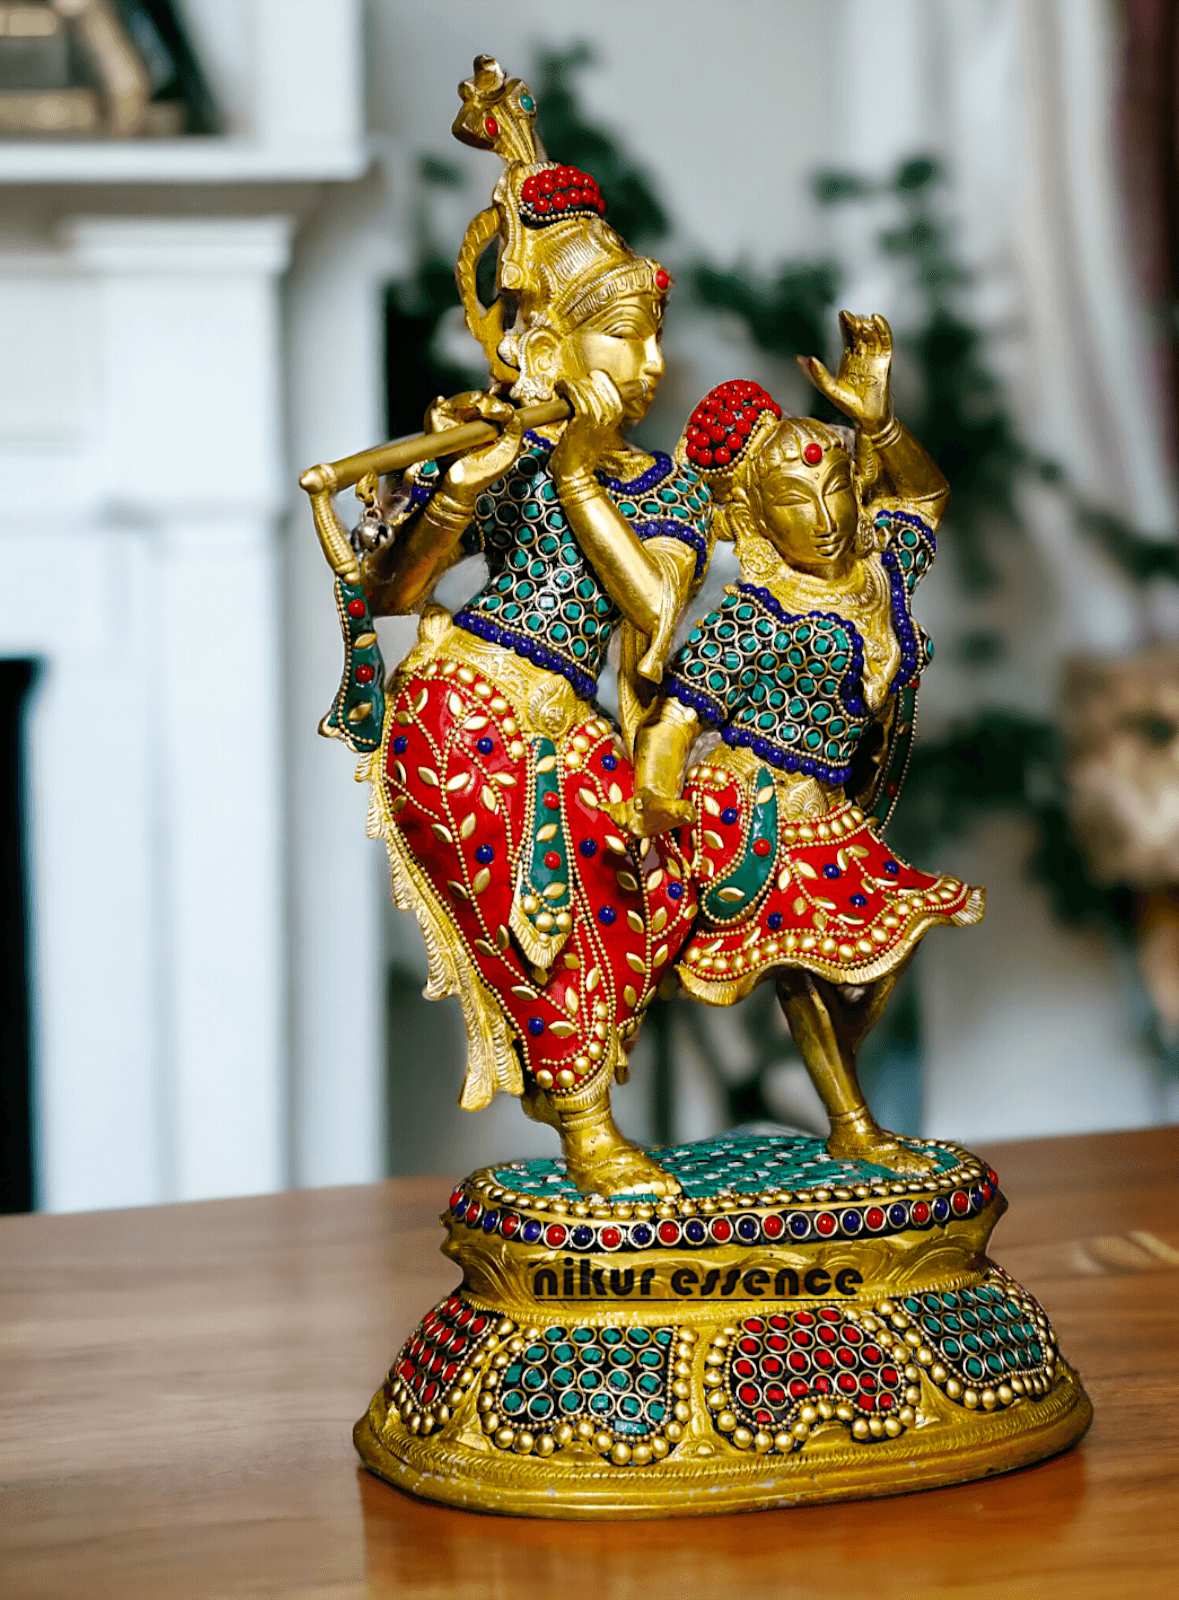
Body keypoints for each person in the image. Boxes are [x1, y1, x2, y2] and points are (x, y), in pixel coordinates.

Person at [324, 59, 708, 1195]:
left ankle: (587, 1107)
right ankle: (585, 1126)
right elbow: (394, 595)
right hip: (466, 706)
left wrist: (584, 472)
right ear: (551, 343)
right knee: (542, 920)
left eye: (650, 337)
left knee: (623, 918)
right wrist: (460, 486)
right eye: (617, 339)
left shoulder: (662, 489)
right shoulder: (505, 451)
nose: (643, 365)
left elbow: (652, 612)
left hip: (577, 725)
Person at [611, 314, 983, 1174]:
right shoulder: (752, 618)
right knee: (805, 971)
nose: (821, 516)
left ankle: (844, 1097)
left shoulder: (879, 564)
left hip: (836, 808)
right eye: (792, 501)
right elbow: (675, 719)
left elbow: (925, 496)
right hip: (756, 810)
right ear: (753, 516)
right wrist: (657, 796)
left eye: (834, 490)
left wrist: (880, 424)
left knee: (884, 949)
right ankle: (851, 1119)